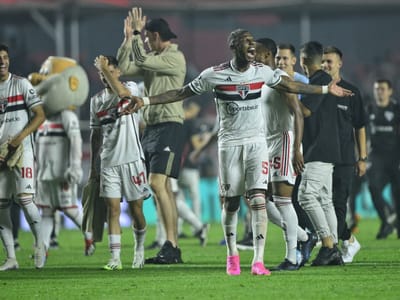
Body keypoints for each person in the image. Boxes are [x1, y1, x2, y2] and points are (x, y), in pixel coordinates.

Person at [122, 29, 352, 275]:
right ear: (233, 46)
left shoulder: (262, 71)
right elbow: (181, 92)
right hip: (229, 146)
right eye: (246, 42)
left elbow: (293, 86)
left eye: (252, 42)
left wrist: (327, 90)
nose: (251, 46)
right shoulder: (215, 74)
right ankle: (232, 255)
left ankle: (258, 260)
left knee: (259, 200)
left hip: (257, 144)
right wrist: (145, 101)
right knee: (231, 203)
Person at [117, 7, 186, 263]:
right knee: (163, 187)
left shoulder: (174, 58)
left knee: (157, 184)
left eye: (147, 37)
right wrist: (128, 39)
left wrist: (136, 34)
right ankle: (172, 246)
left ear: (155, 36)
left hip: (170, 124)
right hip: (153, 127)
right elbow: (124, 67)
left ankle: (171, 243)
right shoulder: (154, 59)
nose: (145, 42)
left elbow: (142, 60)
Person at [255, 38, 317, 270]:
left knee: (283, 201)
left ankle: (292, 257)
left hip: (285, 140)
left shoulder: (282, 79)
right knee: (258, 199)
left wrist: (295, 149)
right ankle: (303, 236)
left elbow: (298, 115)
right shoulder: (262, 80)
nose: (252, 57)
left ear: (267, 56)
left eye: (257, 53)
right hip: (267, 143)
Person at [92, 55, 151, 270]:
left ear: (117, 71)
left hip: (132, 159)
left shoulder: (131, 87)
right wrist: (93, 167)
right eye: (100, 73)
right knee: (113, 209)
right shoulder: (95, 101)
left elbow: (124, 95)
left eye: (107, 71)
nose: (103, 76)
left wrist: (104, 68)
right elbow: (95, 135)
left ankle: (139, 249)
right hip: (109, 162)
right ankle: (115, 258)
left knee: (136, 211)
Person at [297, 41, 344, 266]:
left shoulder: (320, 81)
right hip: (326, 148)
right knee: (324, 200)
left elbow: (305, 111)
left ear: (302, 60)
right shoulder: (323, 81)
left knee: (305, 196)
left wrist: (287, 98)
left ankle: (328, 245)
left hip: (318, 148)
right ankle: (333, 249)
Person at [0, 43, 46, 271]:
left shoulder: (21, 84)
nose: (2, 62)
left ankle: (40, 244)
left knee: (26, 201)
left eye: (5, 57)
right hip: (0, 155)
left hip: (22, 151)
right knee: (1, 207)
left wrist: (20, 137)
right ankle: (11, 257)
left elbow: (40, 115)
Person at [322, 46, 367, 263]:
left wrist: (362, 158)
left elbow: (360, 126)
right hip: (320, 158)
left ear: (340, 63)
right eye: (323, 62)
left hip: (344, 160)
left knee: (338, 205)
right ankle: (346, 240)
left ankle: (344, 242)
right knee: (321, 206)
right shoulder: (317, 90)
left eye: (329, 61)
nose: (325, 65)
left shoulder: (352, 92)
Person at [35, 106, 93, 254]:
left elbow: (76, 142)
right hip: (44, 175)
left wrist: (75, 167)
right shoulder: (43, 117)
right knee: (47, 211)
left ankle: (89, 237)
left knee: (69, 209)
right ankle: (43, 248)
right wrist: (35, 171)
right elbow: (38, 147)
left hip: (62, 174)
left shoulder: (67, 116)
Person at [366, 79, 400, 239]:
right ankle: (385, 221)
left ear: (390, 91)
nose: (379, 92)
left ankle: (396, 224)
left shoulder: (396, 109)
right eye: (377, 89)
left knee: (397, 193)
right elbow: (363, 133)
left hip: (395, 157)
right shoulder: (370, 109)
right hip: (376, 157)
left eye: (382, 89)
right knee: (373, 187)